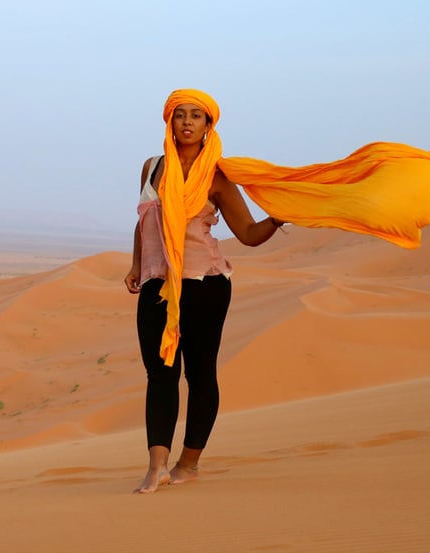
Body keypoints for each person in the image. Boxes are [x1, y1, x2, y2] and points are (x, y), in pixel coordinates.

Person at [124, 89, 286, 494]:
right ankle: (156, 466)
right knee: (159, 374)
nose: (187, 123)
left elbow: (247, 233)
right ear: (170, 121)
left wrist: (277, 218)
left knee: (199, 374)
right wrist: (136, 265)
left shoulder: (216, 175)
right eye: (180, 115)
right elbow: (144, 221)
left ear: (208, 125)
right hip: (158, 285)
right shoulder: (152, 167)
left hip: (205, 284)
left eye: (196, 116)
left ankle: (189, 463)